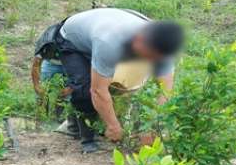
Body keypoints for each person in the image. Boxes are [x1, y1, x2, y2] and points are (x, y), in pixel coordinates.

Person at [54, 8, 184, 153]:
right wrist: (113, 126)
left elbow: (165, 91)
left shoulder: (163, 47)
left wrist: (153, 127)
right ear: (140, 41)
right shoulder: (110, 43)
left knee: (118, 84)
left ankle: (90, 122)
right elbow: (97, 91)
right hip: (72, 39)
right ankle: (83, 135)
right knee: (85, 88)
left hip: (102, 29)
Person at [30, 25, 77, 137]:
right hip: (50, 63)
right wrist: (37, 86)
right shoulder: (45, 42)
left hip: (70, 64)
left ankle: (61, 121)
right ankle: (40, 120)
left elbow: (80, 71)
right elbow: (36, 65)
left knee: (67, 95)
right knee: (42, 92)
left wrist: (70, 88)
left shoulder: (74, 43)